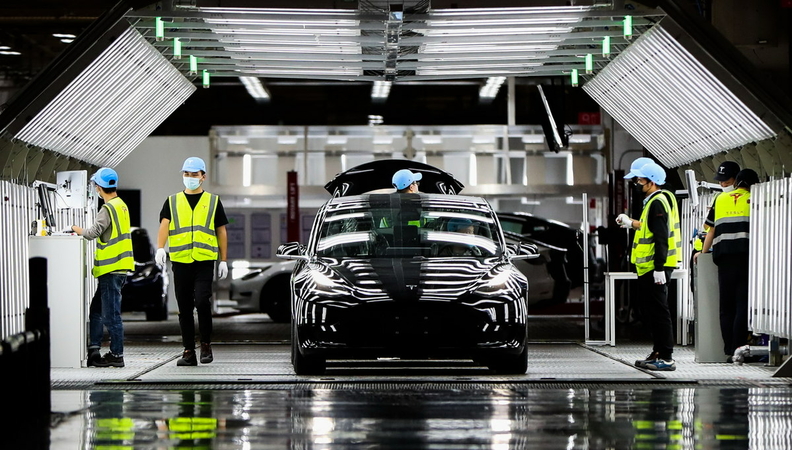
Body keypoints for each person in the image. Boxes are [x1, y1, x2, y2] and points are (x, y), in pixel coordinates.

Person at [155, 157, 229, 366]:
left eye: (194, 174)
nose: (189, 178)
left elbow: (221, 231)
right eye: (186, 174)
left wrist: (223, 259)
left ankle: (205, 344)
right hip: (180, 261)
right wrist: (161, 247)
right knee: (184, 307)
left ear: (203, 177)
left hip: (204, 260)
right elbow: (165, 225)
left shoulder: (213, 201)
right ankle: (188, 351)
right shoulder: (172, 201)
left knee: (203, 301)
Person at [615, 162, 678, 371]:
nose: (636, 183)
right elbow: (648, 227)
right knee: (652, 311)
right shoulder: (656, 200)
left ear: (652, 181)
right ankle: (658, 351)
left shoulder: (658, 202)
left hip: (655, 266)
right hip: (650, 266)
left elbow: (661, 237)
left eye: (640, 180)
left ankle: (666, 356)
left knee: (659, 312)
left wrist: (659, 267)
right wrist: (630, 222)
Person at [68, 168, 134, 367]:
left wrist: (76, 229)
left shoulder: (108, 208)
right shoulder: (121, 205)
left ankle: (117, 355)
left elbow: (93, 232)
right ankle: (94, 349)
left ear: (98, 188)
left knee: (111, 314)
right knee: (96, 310)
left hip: (111, 269)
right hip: (118, 268)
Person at [694, 168, 758, 361]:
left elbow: (710, 231)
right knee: (742, 305)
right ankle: (739, 348)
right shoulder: (755, 200)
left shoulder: (720, 199)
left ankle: (728, 349)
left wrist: (702, 253)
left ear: (736, 182)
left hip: (724, 259)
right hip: (747, 259)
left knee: (726, 306)